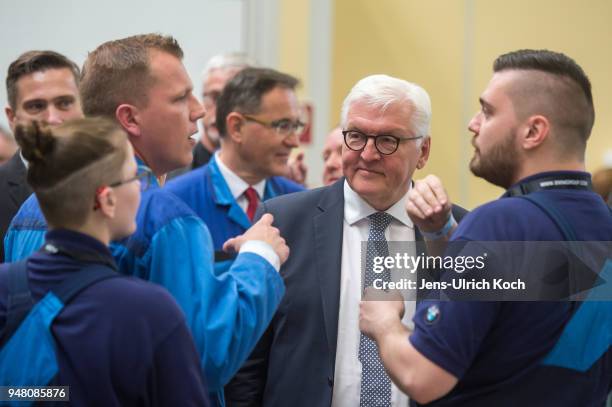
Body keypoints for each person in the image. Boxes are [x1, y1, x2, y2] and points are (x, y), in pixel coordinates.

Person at [4, 34, 288, 407]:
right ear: (130, 118)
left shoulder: (29, 210)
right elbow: (205, 358)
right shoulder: (165, 217)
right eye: (179, 98)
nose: (200, 110)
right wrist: (259, 261)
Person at [360, 49, 612, 406]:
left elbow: (422, 375)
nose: (473, 123)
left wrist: (383, 320)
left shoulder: (499, 224)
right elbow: (525, 309)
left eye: (488, 111)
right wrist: (442, 235)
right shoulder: (601, 224)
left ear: (534, 131)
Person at [225, 74, 467, 407]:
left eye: (387, 140)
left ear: (423, 151)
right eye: (355, 136)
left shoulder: (459, 229)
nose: (367, 154)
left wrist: (444, 237)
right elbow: (247, 362)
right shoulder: (283, 222)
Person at [0, 118, 209, 405]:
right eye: (135, 177)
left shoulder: (5, 286)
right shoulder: (149, 311)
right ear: (106, 200)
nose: (141, 187)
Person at [166, 67, 305, 274]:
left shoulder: (300, 203)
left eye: (296, 126)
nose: (294, 141)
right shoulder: (175, 203)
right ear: (237, 127)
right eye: (282, 126)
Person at [0, 50, 83, 262]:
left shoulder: (118, 184)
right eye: (36, 106)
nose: (53, 118)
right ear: (13, 118)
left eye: (64, 103)